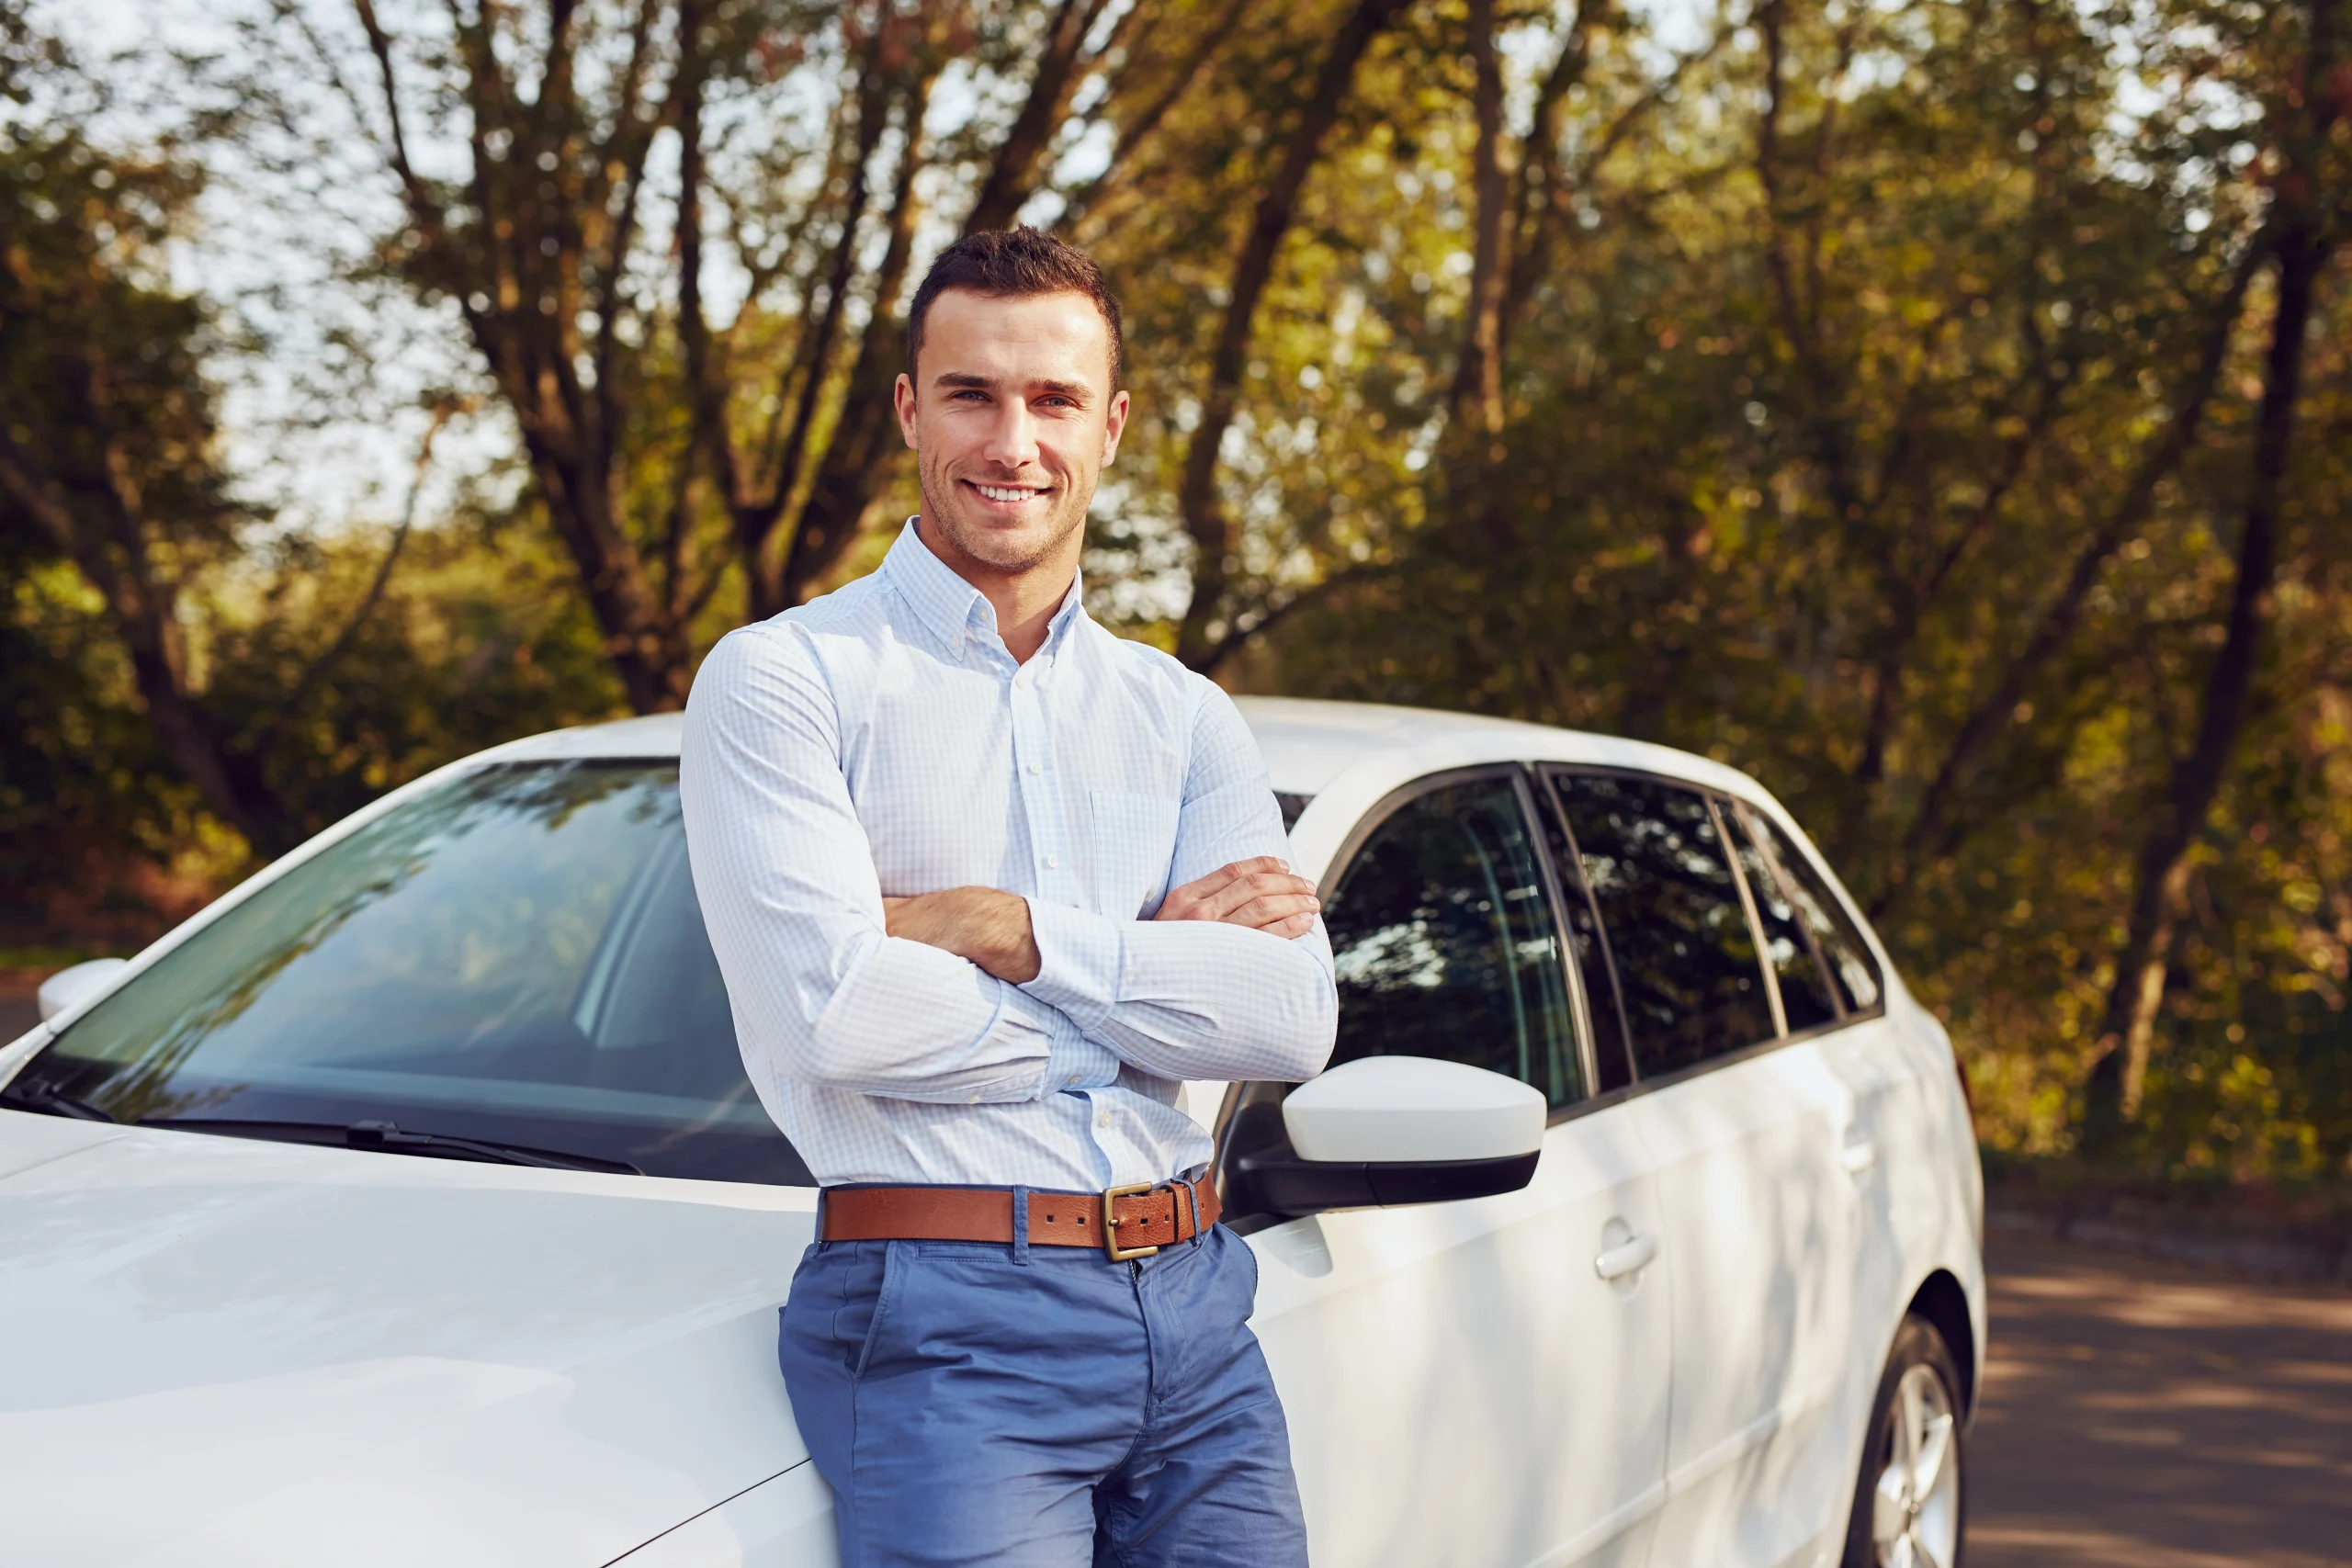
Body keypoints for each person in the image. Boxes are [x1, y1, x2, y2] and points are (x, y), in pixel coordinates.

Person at [679, 226, 1338, 1568]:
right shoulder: (787, 680)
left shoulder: (1184, 713)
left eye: (1052, 400)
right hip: (943, 1313)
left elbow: (1285, 1022)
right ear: (913, 407)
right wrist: (1149, 978)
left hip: (1203, 1302)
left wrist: (1010, 932)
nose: (1013, 442)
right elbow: (846, 1023)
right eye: (973, 394)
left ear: (1112, 425)